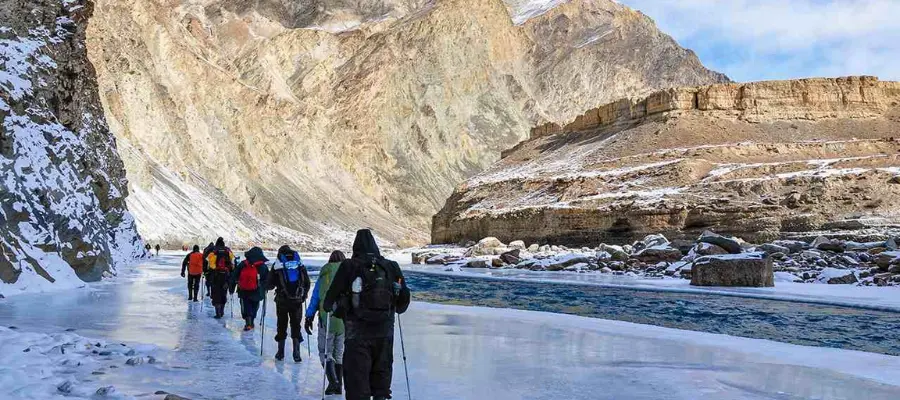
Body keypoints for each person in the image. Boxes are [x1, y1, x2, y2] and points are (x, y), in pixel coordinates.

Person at [324, 229, 410, 400]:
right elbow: (402, 304)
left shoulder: (349, 266)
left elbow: (328, 302)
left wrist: (338, 308)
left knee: (357, 385)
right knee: (381, 382)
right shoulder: (391, 266)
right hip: (385, 333)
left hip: (356, 334)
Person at [306, 250, 346, 394]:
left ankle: (333, 382)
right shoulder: (348, 272)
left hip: (326, 317)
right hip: (344, 320)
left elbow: (316, 297)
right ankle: (338, 385)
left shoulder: (325, 274)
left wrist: (309, 316)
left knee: (325, 352)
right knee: (339, 353)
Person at [268, 246, 311, 362]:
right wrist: (304, 295)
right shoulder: (299, 264)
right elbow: (307, 282)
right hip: (297, 301)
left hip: (282, 301)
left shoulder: (277, 264)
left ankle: (280, 352)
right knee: (296, 324)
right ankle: (296, 353)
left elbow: (270, 284)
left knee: (281, 325)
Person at [231, 247, 269, 331]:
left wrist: (232, 287)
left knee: (245, 304)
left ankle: (248, 322)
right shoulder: (262, 266)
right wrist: (266, 288)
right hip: (257, 290)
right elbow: (267, 279)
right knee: (254, 305)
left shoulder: (243, 264)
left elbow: (234, 275)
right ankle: (251, 320)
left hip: (243, 289)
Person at [205, 237, 234, 319]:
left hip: (215, 276)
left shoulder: (213, 250)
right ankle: (222, 310)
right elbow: (232, 262)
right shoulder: (228, 250)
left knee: (215, 294)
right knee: (223, 293)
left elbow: (209, 263)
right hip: (226, 276)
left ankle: (218, 312)